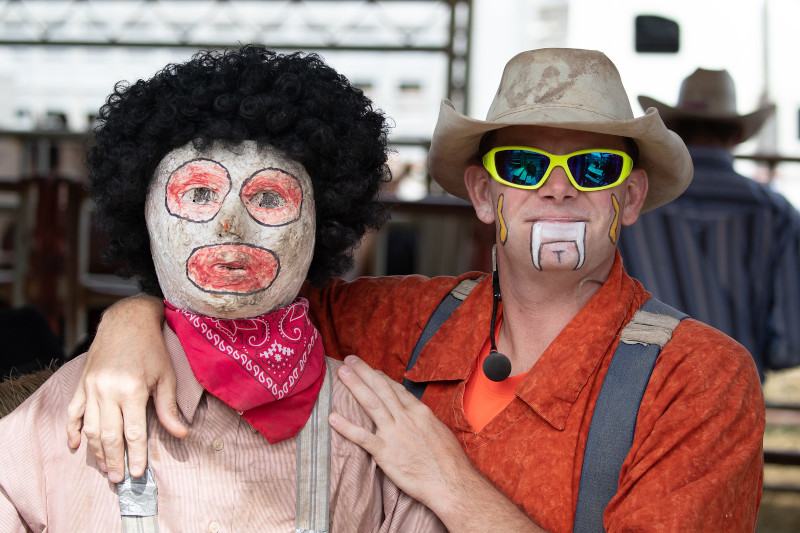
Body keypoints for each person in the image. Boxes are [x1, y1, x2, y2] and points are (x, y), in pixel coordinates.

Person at [66, 48, 765, 532]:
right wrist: (131, 320)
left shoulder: (699, 378)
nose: (558, 185)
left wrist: (449, 483)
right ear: (485, 194)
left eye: (593, 163)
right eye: (523, 164)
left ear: (631, 196)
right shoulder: (395, 320)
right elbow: (240, 306)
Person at [0, 45, 445, 532]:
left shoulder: (370, 424)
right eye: (198, 194)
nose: (231, 223)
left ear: (322, 223)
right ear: (143, 216)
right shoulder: (75, 399)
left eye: (270, 197)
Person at [619, 67, 800, 380]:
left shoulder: (631, 204)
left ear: (672, 129)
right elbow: (789, 345)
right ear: (738, 134)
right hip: (734, 394)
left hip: (636, 392)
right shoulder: (775, 212)